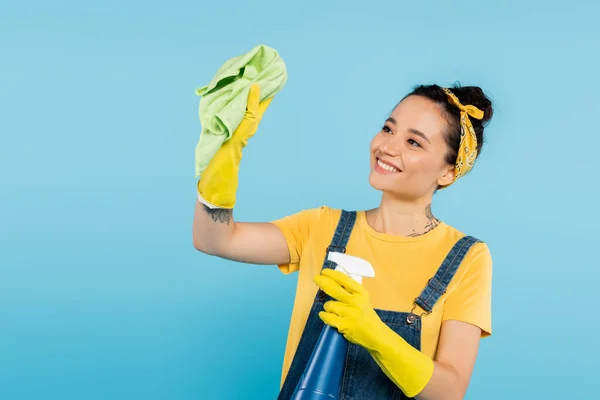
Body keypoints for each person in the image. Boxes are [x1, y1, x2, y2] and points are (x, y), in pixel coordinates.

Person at [192, 82, 494, 400]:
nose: (388, 147)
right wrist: (223, 156)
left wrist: (375, 334)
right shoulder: (322, 226)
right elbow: (214, 239)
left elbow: (449, 391)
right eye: (388, 129)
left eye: (414, 142)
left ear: (448, 172)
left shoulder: (466, 257)